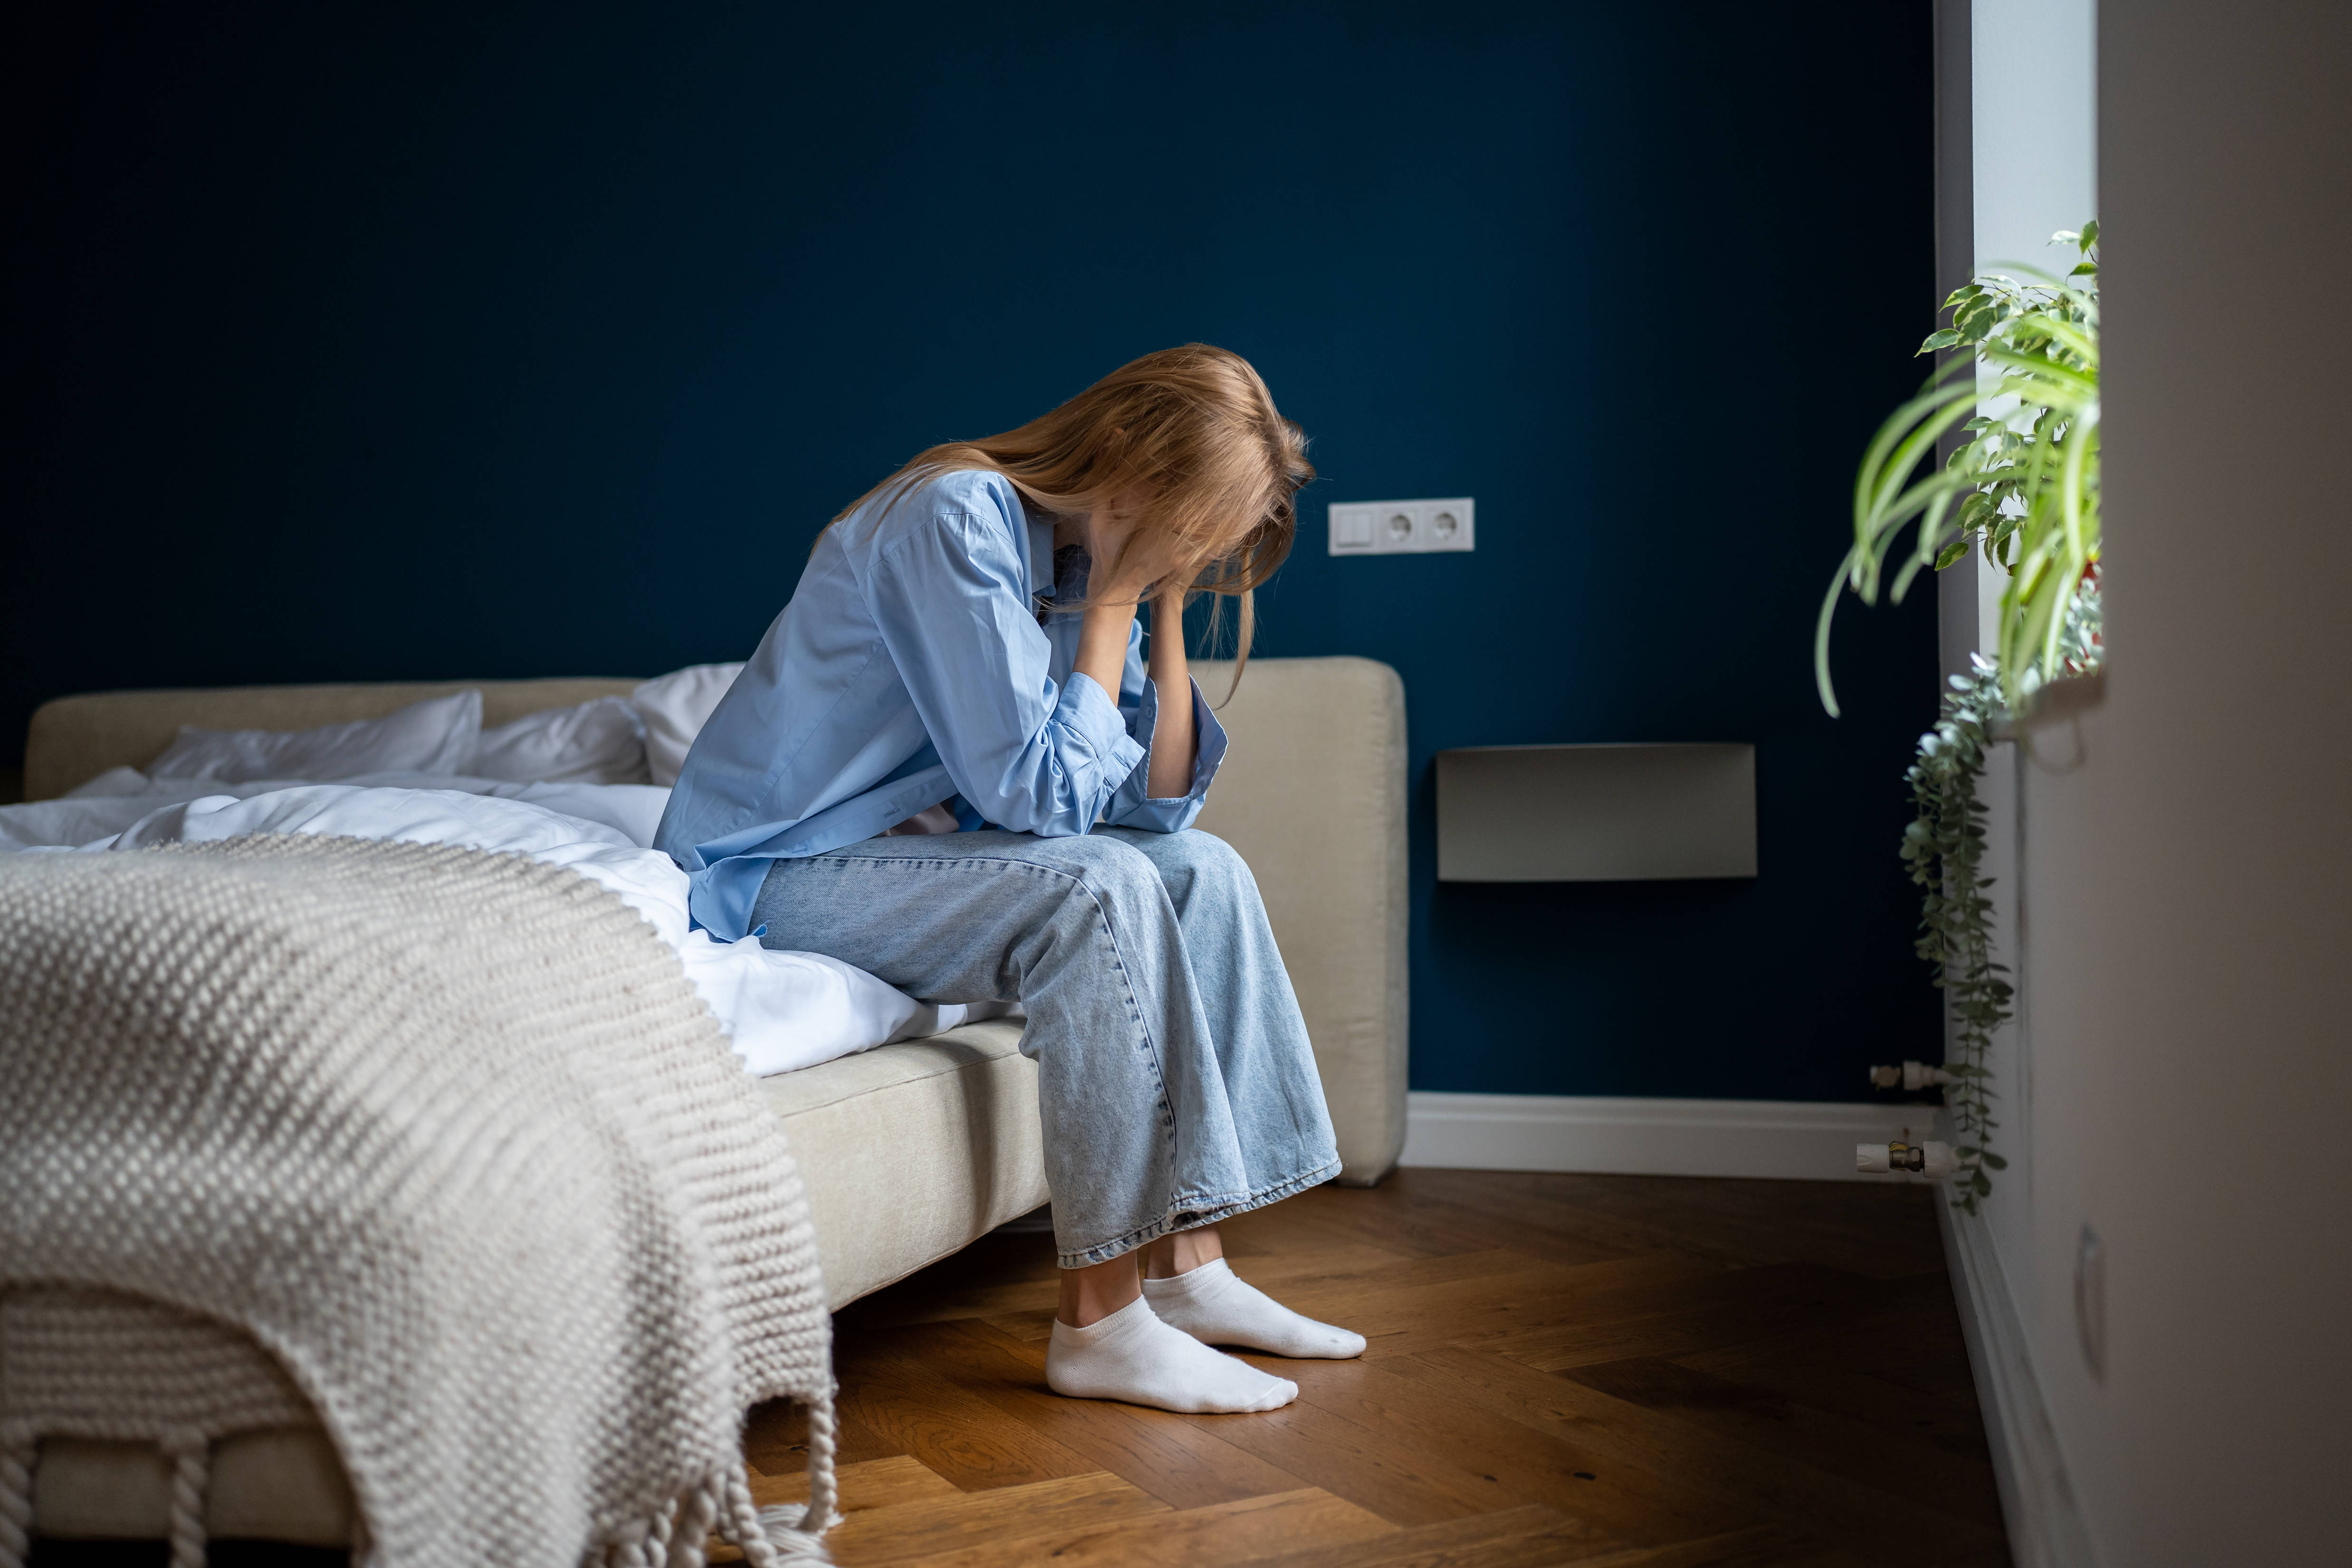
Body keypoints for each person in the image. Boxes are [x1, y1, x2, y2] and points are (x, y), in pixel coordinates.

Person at [655, 344, 1363, 1414]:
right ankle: (1101, 1324)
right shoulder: (956, 516)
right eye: (1196, 522)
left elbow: (1156, 805)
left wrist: (1156, 603)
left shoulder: (1084, 572)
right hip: (781, 865)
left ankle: (1190, 1272)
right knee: (1097, 889)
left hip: (908, 855)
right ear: (1128, 456)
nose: (1200, 551)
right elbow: (1042, 802)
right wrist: (1123, 591)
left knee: (1199, 872)